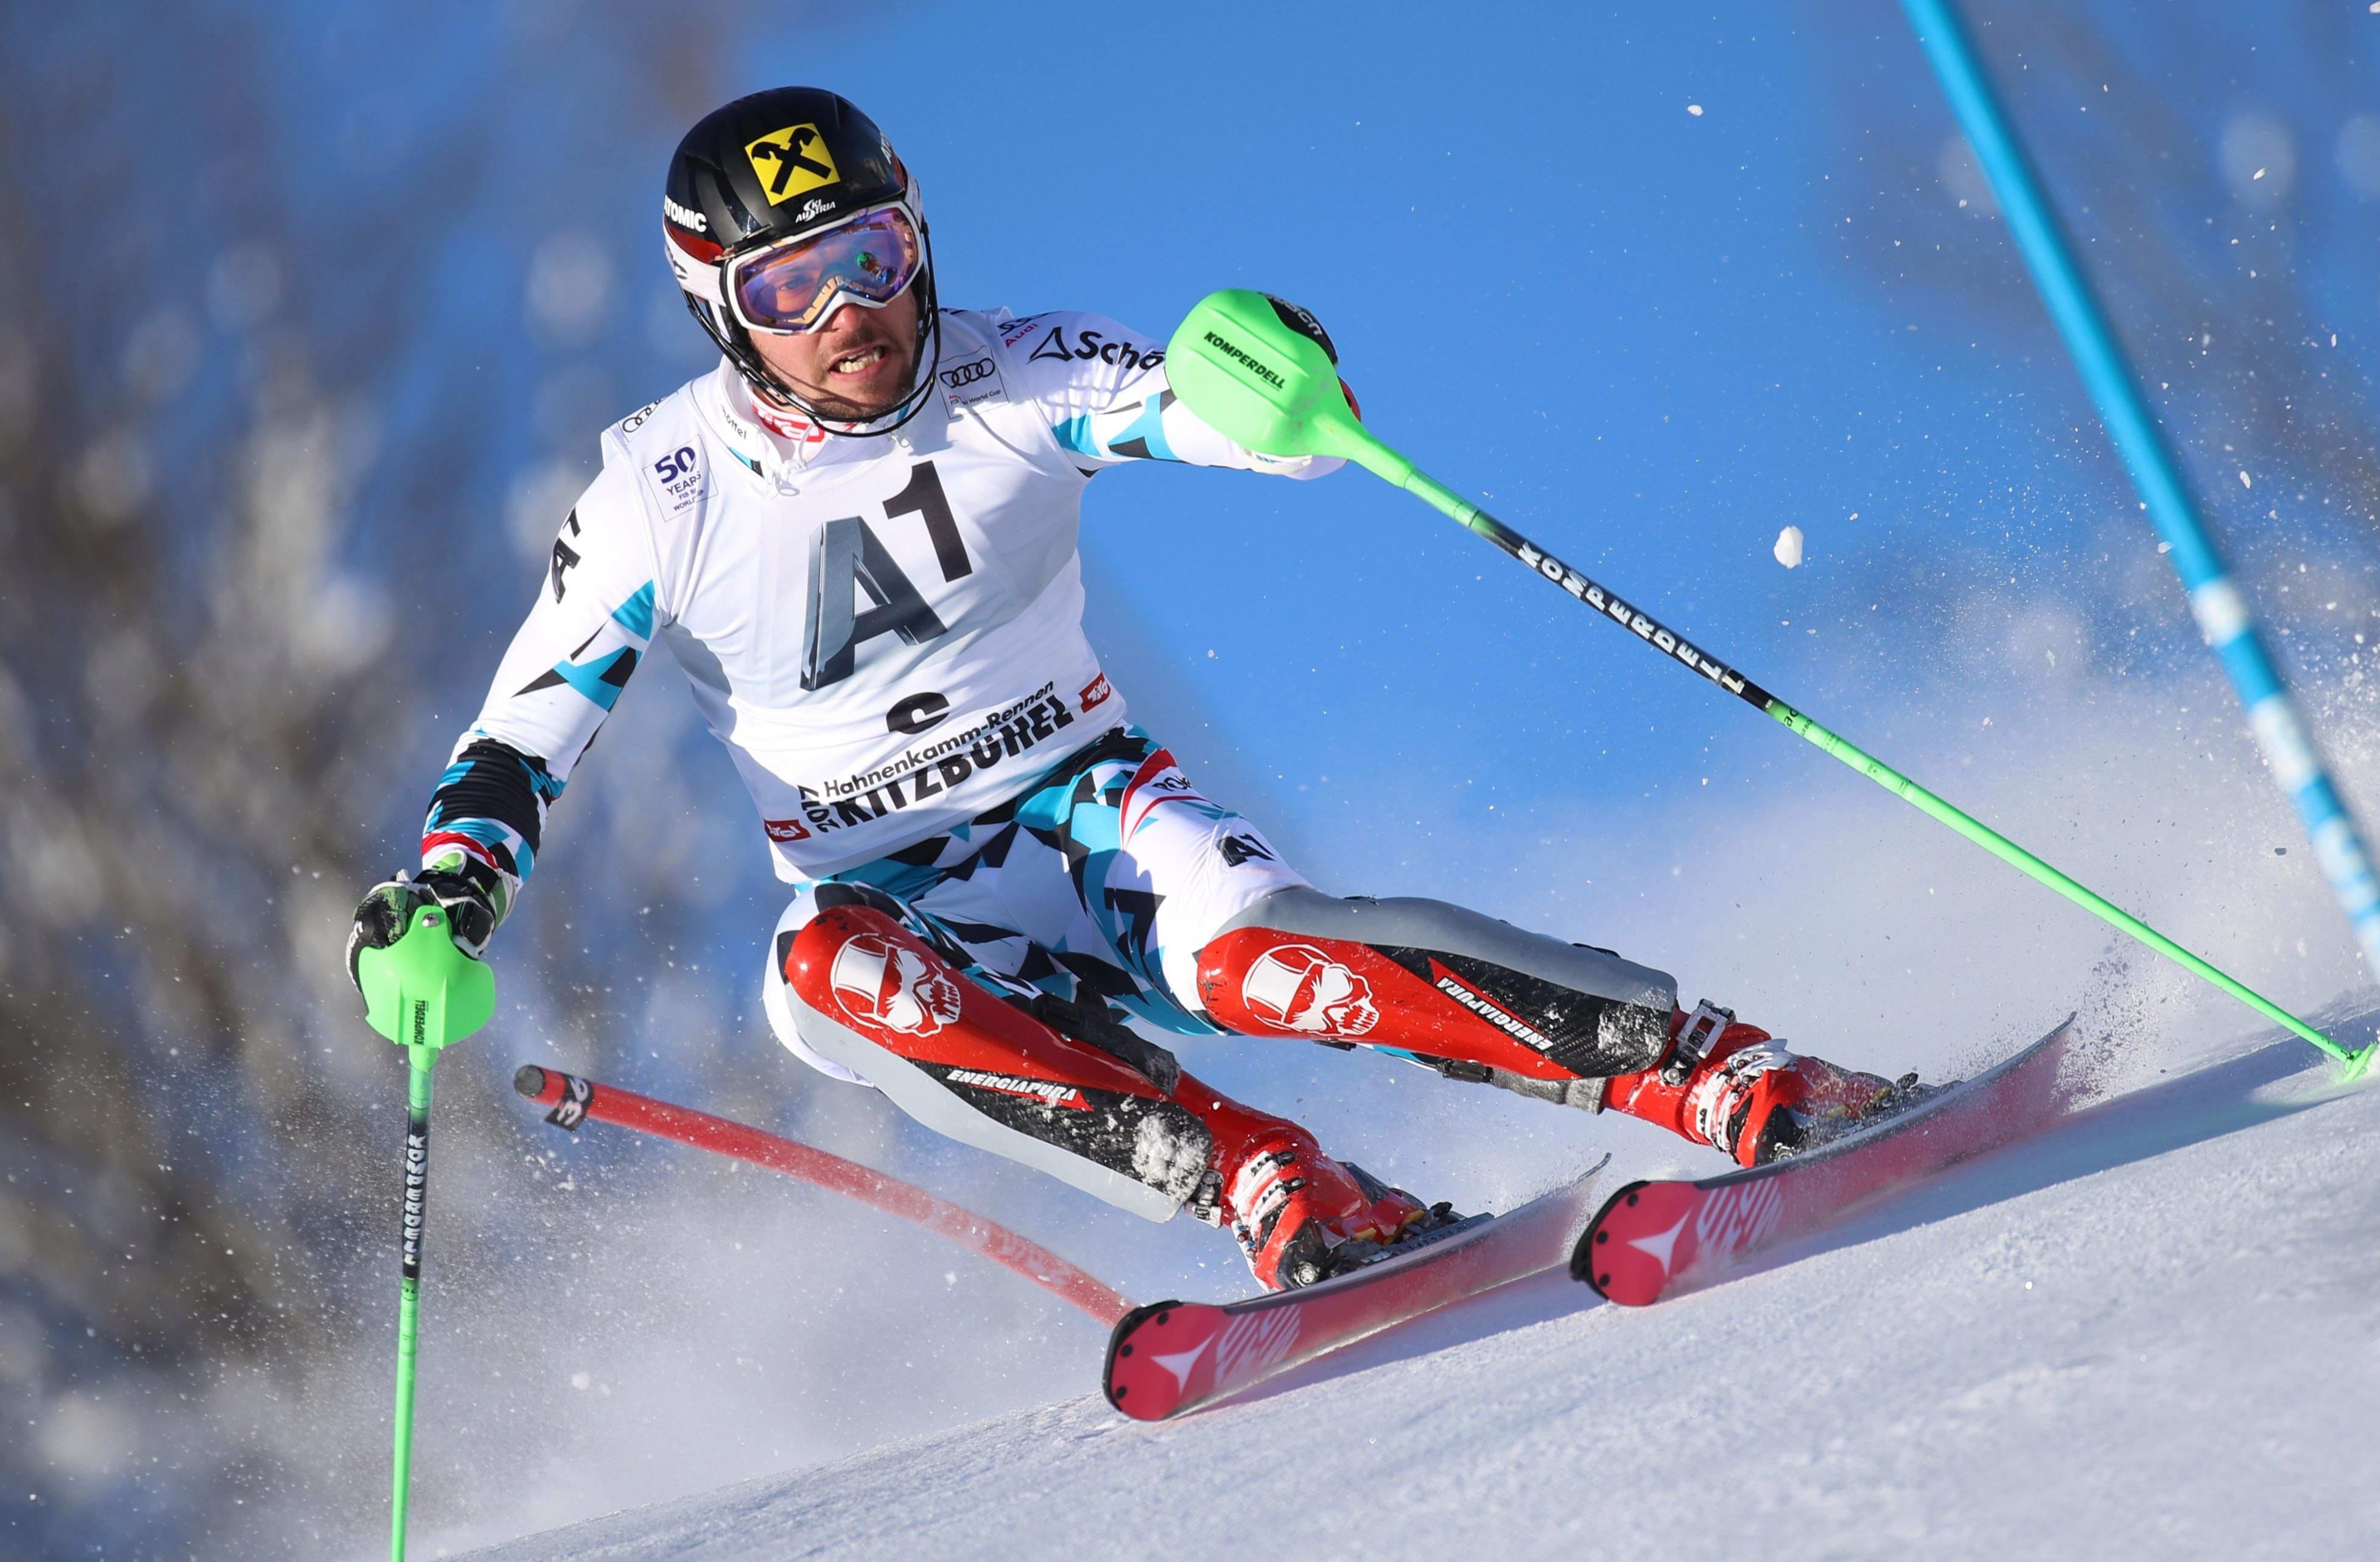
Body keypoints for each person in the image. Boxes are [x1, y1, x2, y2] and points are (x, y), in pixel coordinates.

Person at [347, 88, 1914, 1292]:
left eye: (873, 258)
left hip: (1090, 810)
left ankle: (1713, 1066)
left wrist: (1276, 383)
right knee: (817, 975)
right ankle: (1272, 1183)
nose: (849, 321)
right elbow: (524, 731)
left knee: (1253, 959)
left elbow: (1201, 410)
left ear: (917, 237)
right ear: (717, 311)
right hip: (899, 902)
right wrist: (444, 898)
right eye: (788, 291)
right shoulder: (660, 491)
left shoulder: (1013, 369)